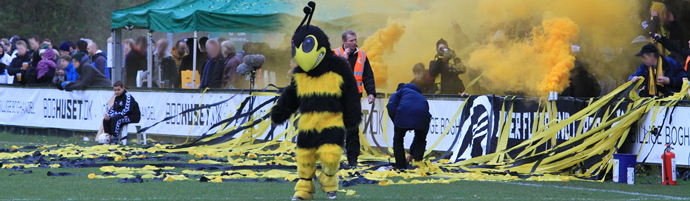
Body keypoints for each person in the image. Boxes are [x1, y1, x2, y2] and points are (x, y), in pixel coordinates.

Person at [271, 20, 362, 200]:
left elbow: (350, 91)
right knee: (305, 158)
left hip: (332, 122)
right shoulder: (299, 74)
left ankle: (329, 183)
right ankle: (303, 190)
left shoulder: (338, 67)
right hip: (307, 124)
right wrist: (280, 111)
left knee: (330, 157)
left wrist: (352, 116)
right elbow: (291, 95)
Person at [332, 30, 376, 167]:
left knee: (352, 129)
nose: (354, 43)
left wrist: (371, 93)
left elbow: (368, 75)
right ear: (344, 41)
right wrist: (343, 60)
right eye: (351, 40)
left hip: (354, 97)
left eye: (355, 40)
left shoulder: (362, 54)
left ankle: (353, 160)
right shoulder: (335, 54)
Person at [387, 83, 431, 170]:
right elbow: (425, 111)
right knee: (420, 139)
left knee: (398, 139)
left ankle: (400, 166)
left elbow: (391, 106)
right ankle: (417, 165)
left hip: (403, 113)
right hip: (423, 116)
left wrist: (397, 123)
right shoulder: (420, 96)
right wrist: (412, 152)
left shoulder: (399, 92)